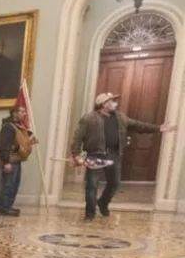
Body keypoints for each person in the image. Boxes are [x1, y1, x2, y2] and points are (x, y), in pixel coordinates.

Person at [70, 91, 177, 220]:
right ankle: (90, 214)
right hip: (95, 156)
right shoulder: (89, 118)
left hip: (113, 155)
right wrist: (75, 154)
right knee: (92, 185)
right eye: (111, 100)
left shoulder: (121, 117)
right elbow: (78, 137)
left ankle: (103, 203)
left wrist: (158, 128)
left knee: (114, 183)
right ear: (103, 104)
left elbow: (139, 126)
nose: (115, 103)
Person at [0, 105, 36, 216]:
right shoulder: (8, 127)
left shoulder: (18, 127)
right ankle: (4, 208)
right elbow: (4, 145)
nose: (24, 114)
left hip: (17, 160)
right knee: (8, 185)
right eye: (22, 111)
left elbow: (21, 141)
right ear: (14, 113)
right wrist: (6, 162)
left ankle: (9, 206)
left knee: (14, 184)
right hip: (10, 160)